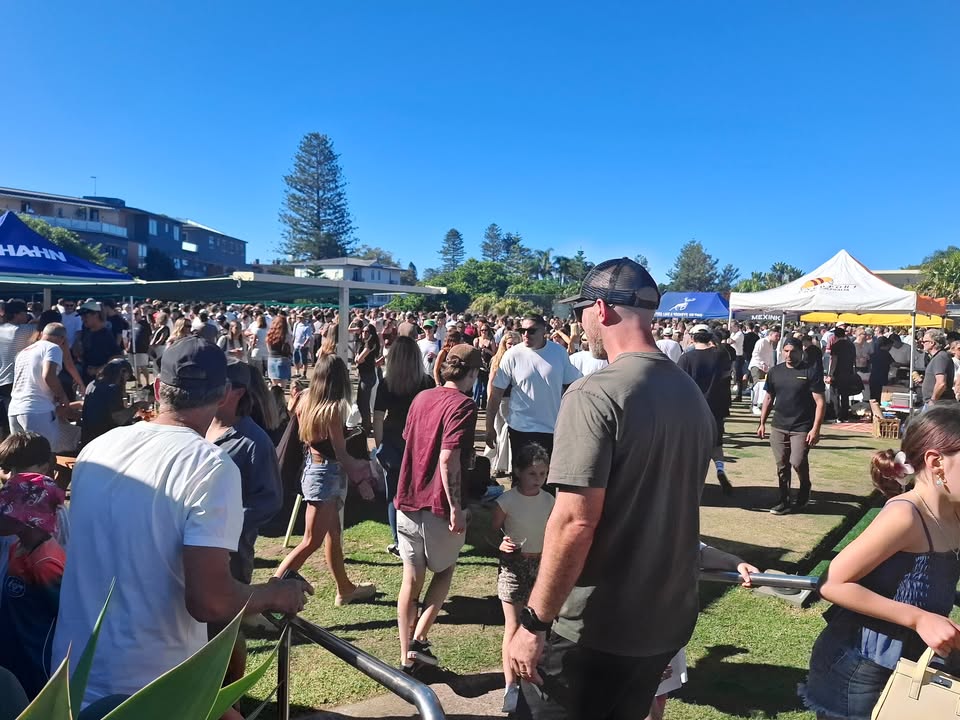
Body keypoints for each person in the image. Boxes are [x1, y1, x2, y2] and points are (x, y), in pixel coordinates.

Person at [507, 258, 715, 719]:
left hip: (593, 630)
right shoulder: (689, 394)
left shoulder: (594, 393)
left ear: (600, 309)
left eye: (581, 310)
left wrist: (534, 622)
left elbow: (574, 521)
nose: (579, 324)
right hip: (661, 624)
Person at [53, 336, 311, 709]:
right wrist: (275, 593)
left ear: (159, 388)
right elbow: (210, 601)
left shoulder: (97, 448)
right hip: (149, 689)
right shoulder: (210, 465)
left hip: (71, 677)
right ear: (223, 394)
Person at [799, 406, 960, 719]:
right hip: (862, 665)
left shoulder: (953, 512)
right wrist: (920, 619)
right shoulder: (905, 515)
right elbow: (831, 582)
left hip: (914, 658)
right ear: (936, 462)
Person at [395, 344, 481, 673]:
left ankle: (405, 657)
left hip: (407, 498)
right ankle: (419, 641)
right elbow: (448, 457)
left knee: (410, 580)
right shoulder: (464, 405)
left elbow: (412, 440)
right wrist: (457, 506)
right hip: (436, 505)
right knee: (444, 570)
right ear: (472, 374)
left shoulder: (421, 398)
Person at [273, 354, 377, 606]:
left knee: (333, 533)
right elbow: (340, 453)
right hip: (325, 475)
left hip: (313, 468)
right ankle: (272, 590)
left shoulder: (303, 399)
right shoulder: (332, 409)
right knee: (311, 540)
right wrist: (364, 469)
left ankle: (345, 588)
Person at [491, 443, 554, 713]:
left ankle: (535, 677)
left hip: (541, 567)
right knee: (513, 626)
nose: (537, 479)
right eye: (532, 474)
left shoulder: (550, 500)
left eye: (542, 474)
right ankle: (511, 686)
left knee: (539, 627)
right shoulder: (506, 501)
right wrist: (500, 543)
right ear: (518, 472)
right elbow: (490, 532)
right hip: (514, 568)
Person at [0, 471, 66, 698]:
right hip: (12, 654)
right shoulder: (15, 549)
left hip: (36, 663)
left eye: (4, 512)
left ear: (27, 519)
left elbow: (63, 617)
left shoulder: (46, 563)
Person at [486, 314, 581, 461]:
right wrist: (489, 426)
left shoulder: (559, 352)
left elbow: (572, 386)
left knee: (547, 480)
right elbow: (496, 392)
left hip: (551, 428)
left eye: (531, 331)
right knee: (521, 478)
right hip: (520, 428)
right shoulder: (512, 355)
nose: (525, 335)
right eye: (522, 331)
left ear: (543, 330)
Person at [374, 337, 435, 557]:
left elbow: (378, 418)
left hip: (392, 441)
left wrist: (380, 445)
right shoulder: (427, 382)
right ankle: (421, 537)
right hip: (419, 442)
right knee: (419, 493)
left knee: (395, 496)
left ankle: (399, 542)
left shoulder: (387, 383)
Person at [757, 336, 826, 515]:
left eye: (793, 351)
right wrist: (762, 422)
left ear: (800, 352)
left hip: (802, 427)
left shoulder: (810, 371)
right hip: (778, 425)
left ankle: (805, 487)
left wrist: (816, 429)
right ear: (781, 352)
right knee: (781, 463)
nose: (789, 355)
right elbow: (769, 398)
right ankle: (784, 499)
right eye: (786, 351)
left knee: (797, 461)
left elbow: (820, 402)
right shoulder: (774, 372)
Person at [677, 324, 734, 495]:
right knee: (716, 443)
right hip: (716, 408)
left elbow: (679, 387)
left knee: (692, 447)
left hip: (693, 409)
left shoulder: (686, 359)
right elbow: (726, 380)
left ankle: (694, 481)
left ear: (692, 338)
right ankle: (720, 468)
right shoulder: (721, 356)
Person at [8, 323, 80, 454]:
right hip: (37, 411)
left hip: (15, 409)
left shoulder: (24, 351)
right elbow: (48, 376)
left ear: (42, 334)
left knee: (20, 458)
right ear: (62, 339)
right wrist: (63, 397)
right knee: (43, 456)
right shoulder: (53, 348)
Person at [79, 359, 148, 448]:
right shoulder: (112, 388)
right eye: (126, 378)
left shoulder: (92, 384)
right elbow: (119, 419)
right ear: (122, 372)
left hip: (88, 439)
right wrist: (137, 406)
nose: (125, 383)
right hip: (104, 441)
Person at [0, 302, 39, 438]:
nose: (26, 315)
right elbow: (46, 328)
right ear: (16, 314)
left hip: (2, 379)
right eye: (24, 313)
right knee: (16, 427)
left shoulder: (1, 328)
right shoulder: (23, 330)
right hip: (14, 381)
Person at [487, 331, 522, 478]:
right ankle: (497, 465)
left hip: (514, 400)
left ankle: (504, 465)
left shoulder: (521, 358)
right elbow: (491, 382)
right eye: (509, 343)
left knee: (506, 433)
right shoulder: (498, 359)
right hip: (501, 400)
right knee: (499, 430)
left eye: (515, 343)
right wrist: (490, 401)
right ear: (504, 344)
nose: (512, 346)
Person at [75, 301, 120, 385]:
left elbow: (116, 357)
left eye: (85, 316)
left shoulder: (106, 335)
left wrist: (99, 369)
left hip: (102, 381)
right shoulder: (86, 332)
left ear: (95, 314)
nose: (82, 319)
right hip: (86, 379)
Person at [354, 324, 381, 435]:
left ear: (371, 333)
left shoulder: (370, 343)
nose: (364, 333)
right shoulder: (365, 343)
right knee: (361, 402)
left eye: (367, 332)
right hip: (365, 375)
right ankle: (366, 425)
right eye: (363, 331)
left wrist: (358, 358)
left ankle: (367, 428)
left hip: (367, 376)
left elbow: (359, 359)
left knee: (363, 403)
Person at [827, 327, 858, 422]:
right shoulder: (851, 345)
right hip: (848, 372)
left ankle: (837, 415)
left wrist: (830, 374)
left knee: (834, 394)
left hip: (838, 373)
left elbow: (834, 360)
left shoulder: (836, 345)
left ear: (835, 336)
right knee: (845, 395)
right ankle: (845, 415)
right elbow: (854, 360)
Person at [921, 329, 955, 409]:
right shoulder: (938, 357)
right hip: (937, 403)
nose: (922, 344)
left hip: (938, 405)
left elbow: (941, 383)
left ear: (932, 343)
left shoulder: (940, 357)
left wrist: (933, 400)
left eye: (924, 341)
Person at [266, 315, 293, 388]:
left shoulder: (269, 334)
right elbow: (291, 348)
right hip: (283, 359)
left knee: (274, 385)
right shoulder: (286, 335)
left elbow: (268, 348)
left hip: (271, 359)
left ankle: (274, 398)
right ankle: (280, 399)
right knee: (282, 385)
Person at [292, 313, 313, 378]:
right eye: (299, 317)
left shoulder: (307, 326)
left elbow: (308, 337)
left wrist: (304, 344)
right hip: (296, 344)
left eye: (301, 318)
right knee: (296, 359)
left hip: (303, 346)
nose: (300, 319)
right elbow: (294, 334)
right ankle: (297, 372)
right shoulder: (296, 324)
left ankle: (304, 373)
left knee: (304, 360)